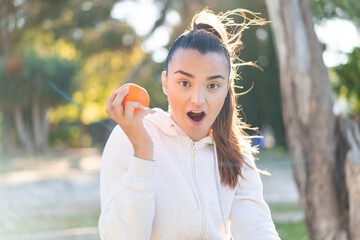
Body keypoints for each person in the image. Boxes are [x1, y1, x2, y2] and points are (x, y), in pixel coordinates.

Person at [99, 8, 280, 240]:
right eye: (184, 82)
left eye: (212, 85)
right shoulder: (129, 138)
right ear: (165, 83)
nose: (198, 99)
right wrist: (143, 153)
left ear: (227, 87)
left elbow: (257, 230)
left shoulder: (238, 156)